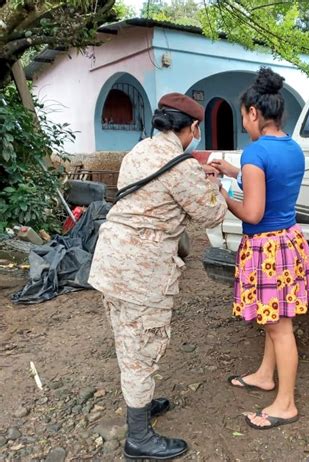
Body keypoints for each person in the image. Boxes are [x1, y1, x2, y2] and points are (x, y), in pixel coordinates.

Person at [88, 93, 227, 460]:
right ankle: (138, 438)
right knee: (141, 348)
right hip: (141, 271)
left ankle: (141, 405)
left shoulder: (139, 151)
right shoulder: (180, 166)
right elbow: (212, 215)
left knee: (127, 339)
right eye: (197, 129)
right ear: (193, 128)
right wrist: (213, 182)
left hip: (110, 260)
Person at [211, 67, 309, 430]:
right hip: (289, 241)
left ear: (254, 113)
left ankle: (285, 404)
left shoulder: (255, 154)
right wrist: (232, 170)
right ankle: (264, 375)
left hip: (265, 248)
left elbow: (253, 213)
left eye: (243, 116)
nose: (244, 123)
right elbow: (269, 181)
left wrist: (223, 196)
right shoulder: (292, 148)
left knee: (279, 328)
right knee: (275, 321)